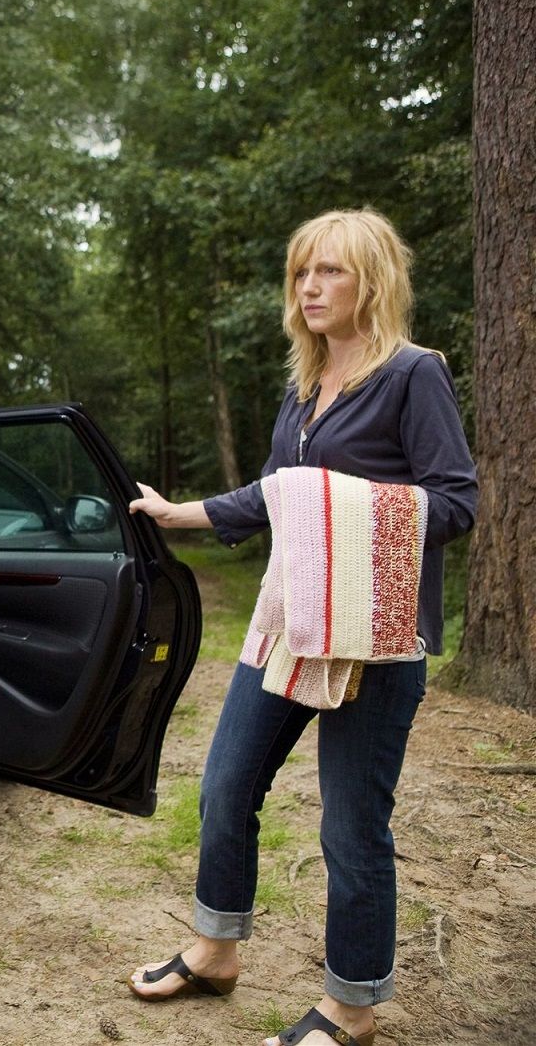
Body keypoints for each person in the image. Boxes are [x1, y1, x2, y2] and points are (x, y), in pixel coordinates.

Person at [125, 208, 476, 1046]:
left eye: (331, 272)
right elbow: (276, 492)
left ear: (374, 283)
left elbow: (455, 501)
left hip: (374, 639)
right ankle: (215, 949)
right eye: (301, 274)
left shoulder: (412, 374)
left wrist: (339, 505)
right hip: (291, 622)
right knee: (225, 786)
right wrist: (183, 514)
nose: (310, 288)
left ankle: (352, 1002)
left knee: (351, 825)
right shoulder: (304, 382)